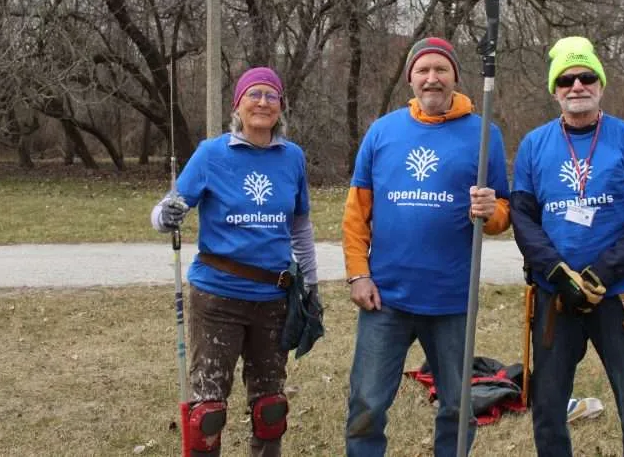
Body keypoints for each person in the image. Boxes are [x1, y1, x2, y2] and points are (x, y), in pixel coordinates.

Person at [342, 36, 512, 457]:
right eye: (423, 70)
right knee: (367, 402)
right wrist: (358, 273)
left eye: (440, 69)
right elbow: (356, 212)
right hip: (387, 298)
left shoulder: (484, 132)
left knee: (457, 407)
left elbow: (504, 214)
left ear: (454, 76)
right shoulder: (383, 132)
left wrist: (490, 211)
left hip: (452, 299)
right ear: (410, 79)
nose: (432, 78)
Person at [151, 66, 320, 457]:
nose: (262, 102)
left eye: (271, 96)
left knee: (270, 407)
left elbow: (300, 228)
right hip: (217, 298)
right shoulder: (212, 154)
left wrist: (310, 284)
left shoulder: (292, 157)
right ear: (238, 105)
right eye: (254, 94)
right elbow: (163, 212)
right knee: (207, 411)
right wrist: (167, 214)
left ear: (281, 107)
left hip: (273, 299)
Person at [511, 36, 624, 457]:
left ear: (600, 83)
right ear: (554, 89)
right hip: (556, 297)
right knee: (548, 403)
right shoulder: (533, 145)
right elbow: (523, 219)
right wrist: (559, 274)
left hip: (620, 295)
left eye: (586, 76)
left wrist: (601, 274)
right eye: (566, 79)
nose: (577, 86)